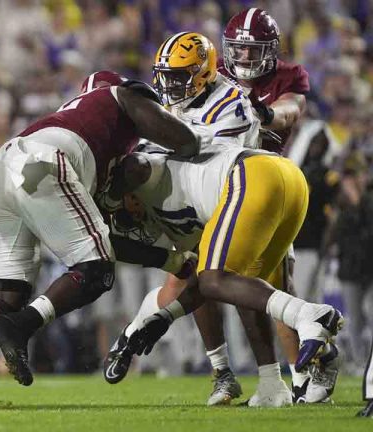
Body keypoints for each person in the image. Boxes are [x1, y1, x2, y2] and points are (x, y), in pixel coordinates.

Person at [0, 69, 203, 408]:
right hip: (41, 164)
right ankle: (21, 326)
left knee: (6, 293)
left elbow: (106, 242)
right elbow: (180, 138)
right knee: (97, 271)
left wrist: (170, 261)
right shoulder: (119, 97)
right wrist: (195, 142)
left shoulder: (76, 125)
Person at [102, 145, 343, 399]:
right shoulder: (165, 184)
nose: (134, 217)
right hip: (288, 177)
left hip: (250, 176)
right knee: (247, 287)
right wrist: (164, 317)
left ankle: (310, 316)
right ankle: (284, 380)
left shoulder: (148, 172)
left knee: (216, 278)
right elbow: (197, 279)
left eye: (125, 211)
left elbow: (204, 280)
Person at [188, 7, 329, 405]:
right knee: (200, 274)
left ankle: (304, 374)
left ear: (271, 50)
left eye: (253, 51)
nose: (245, 59)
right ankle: (225, 373)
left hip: (262, 188)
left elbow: (291, 110)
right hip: (214, 186)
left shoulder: (288, 76)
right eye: (239, 50)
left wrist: (265, 112)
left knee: (275, 284)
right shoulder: (214, 74)